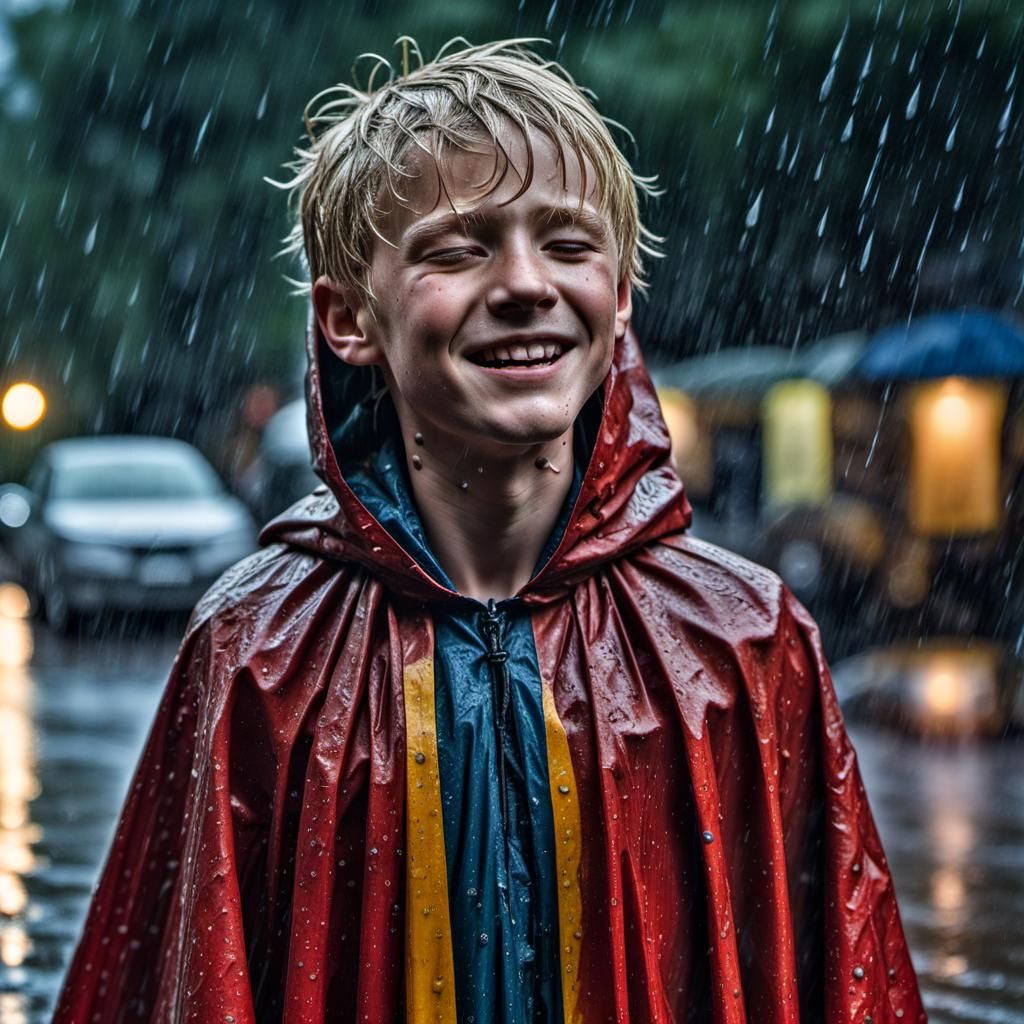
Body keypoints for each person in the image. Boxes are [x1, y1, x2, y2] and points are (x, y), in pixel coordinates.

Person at [55, 39, 925, 1023]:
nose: (524, 283)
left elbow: (845, 978)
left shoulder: (743, 644)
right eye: (458, 247)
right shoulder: (256, 651)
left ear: (621, 295)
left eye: (567, 243)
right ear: (348, 319)